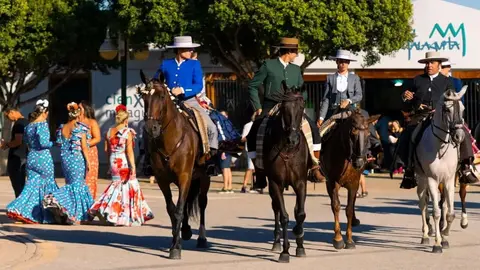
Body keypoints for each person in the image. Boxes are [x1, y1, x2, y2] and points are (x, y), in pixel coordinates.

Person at [246, 37, 323, 188]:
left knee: (313, 128)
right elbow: (252, 86)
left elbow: (303, 91)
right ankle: (259, 172)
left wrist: (300, 102)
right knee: (253, 132)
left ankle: (315, 167)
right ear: (289, 51)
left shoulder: (296, 69)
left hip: (292, 107)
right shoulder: (268, 65)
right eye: (296, 51)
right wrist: (257, 107)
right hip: (271, 105)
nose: (297, 54)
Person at [399, 51, 479, 189]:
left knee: (464, 132)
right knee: (409, 135)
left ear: (439, 65)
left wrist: (441, 109)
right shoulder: (417, 80)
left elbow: (453, 100)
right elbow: (407, 102)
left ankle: (465, 167)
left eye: (432, 63)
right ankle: (409, 170)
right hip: (421, 116)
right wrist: (406, 97)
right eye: (427, 63)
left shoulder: (447, 81)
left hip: (443, 117)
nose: (429, 65)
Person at [153, 36, 219, 161]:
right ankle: (149, 161)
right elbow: (156, 81)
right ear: (179, 50)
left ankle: (211, 161)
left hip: (190, 101)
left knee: (211, 128)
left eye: (191, 49)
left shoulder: (194, 64)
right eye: (189, 49)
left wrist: (182, 90)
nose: (191, 52)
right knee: (150, 126)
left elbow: (198, 85)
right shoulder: (166, 64)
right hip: (169, 102)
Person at [89, 105, 154, 226]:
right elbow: (129, 152)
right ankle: (116, 212)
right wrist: (133, 166)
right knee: (129, 186)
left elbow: (106, 150)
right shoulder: (127, 132)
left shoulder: (109, 132)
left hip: (113, 160)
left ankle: (105, 208)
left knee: (116, 186)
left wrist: (109, 164)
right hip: (122, 161)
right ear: (125, 120)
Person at [6, 100, 59, 224]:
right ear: (44, 112)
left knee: (31, 187)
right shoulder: (42, 124)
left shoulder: (29, 126)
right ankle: (48, 214)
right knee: (47, 185)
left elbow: (26, 141)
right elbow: (44, 143)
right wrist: (55, 143)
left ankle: (20, 209)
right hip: (43, 158)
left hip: (31, 157)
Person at [42, 102, 94, 224]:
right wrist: (89, 162)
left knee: (72, 184)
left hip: (66, 159)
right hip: (77, 159)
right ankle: (59, 203)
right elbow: (85, 148)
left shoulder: (62, 128)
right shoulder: (81, 128)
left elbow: (59, 143)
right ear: (78, 115)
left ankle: (72, 212)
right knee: (77, 185)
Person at [317, 49, 363, 125]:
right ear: (337, 62)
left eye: (346, 61)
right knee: (322, 133)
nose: (343, 64)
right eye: (341, 61)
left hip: (351, 112)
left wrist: (349, 100)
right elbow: (326, 99)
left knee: (364, 125)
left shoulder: (355, 78)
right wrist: (321, 117)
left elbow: (359, 95)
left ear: (348, 63)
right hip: (333, 112)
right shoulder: (330, 78)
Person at [1, 106, 28, 198]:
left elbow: (18, 141)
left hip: (17, 157)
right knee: (22, 184)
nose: (7, 119)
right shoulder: (27, 122)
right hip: (24, 155)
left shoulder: (18, 124)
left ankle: (19, 208)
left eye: (7, 116)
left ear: (12, 112)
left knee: (18, 185)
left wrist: (6, 145)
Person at [79, 101, 100, 199]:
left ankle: (89, 201)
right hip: (77, 153)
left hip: (90, 152)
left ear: (85, 109)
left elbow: (97, 138)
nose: (78, 109)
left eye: (80, 108)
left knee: (90, 178)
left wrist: (84, 144)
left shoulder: (92, 122)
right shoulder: (75, 121)